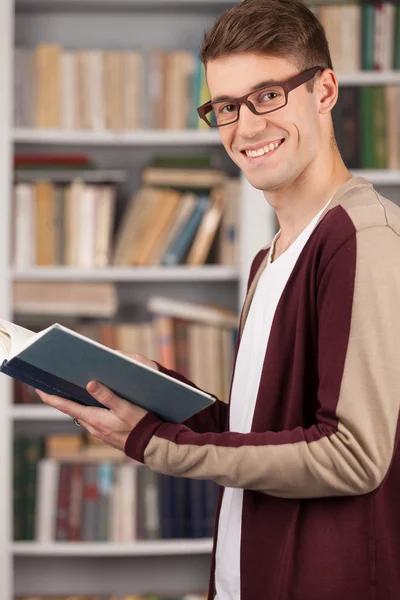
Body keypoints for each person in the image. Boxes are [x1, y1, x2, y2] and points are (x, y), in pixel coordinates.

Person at [36, 0, 400, 598]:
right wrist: (154, 395)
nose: (246, 127)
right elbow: (269, 431)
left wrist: (160, 445)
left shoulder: (360, 239)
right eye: (226, 106)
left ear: (326, 89)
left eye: (268, 96)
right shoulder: (270, 256)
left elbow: (351, 456)